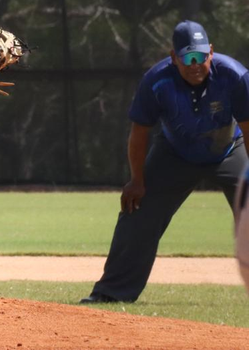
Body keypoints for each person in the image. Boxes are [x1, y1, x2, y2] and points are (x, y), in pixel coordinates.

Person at [80, 20, 249, 304]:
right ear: (174, 57)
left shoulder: (235, 76)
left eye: (200, 56)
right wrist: (137, 180)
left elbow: (248, 127)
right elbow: (139, 133)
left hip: (229, 150)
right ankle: (112, 293)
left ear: (211, 51)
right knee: (138, 208)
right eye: (187, 57)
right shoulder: (157, 81)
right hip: (175, 154)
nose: (195, 64)